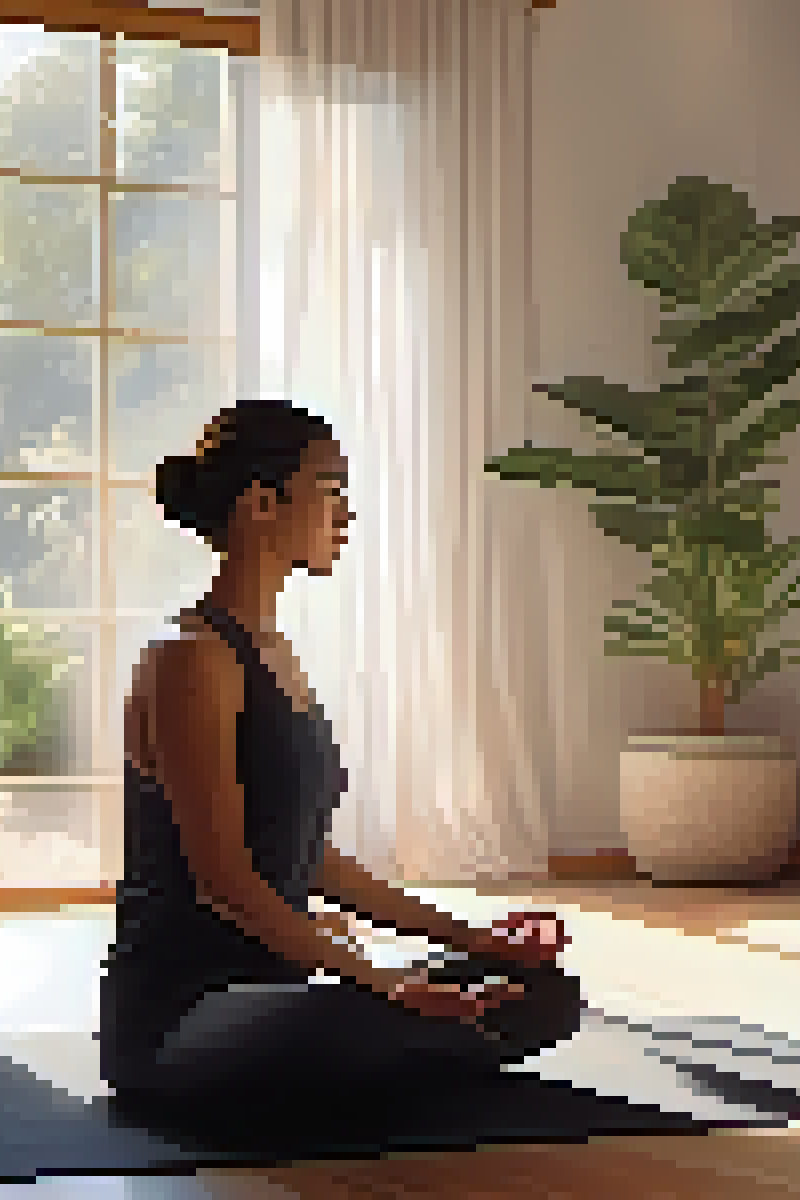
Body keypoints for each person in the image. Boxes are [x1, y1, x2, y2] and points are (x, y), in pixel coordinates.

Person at [101, 396, 582, 1136]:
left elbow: (312, 860)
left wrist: (477, 940)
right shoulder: (189, 659)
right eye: (330, 490)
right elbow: (226, 885)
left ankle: (376, 1053)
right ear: (262, 504)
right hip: (185, 1017)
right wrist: (385, 982)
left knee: (543, 992)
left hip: (286, 991)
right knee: (353, 1017)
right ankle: (384, 1049)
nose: (346, 514)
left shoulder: (275, 655)